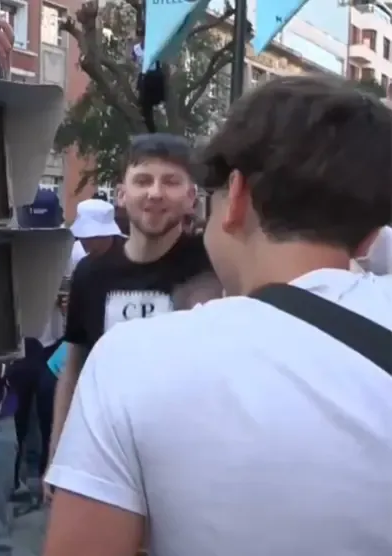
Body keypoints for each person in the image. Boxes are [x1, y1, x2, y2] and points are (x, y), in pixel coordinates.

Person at [43, 75, 392, 556]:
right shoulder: (103, 297)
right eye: (142, 180)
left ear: (237, 196)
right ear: (372, 234)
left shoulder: (131, 360)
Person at [45, 133, 220, 502]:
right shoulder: (91, 273)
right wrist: (57, 455)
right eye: (143, 180)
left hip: (190, 466)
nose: (155, 193)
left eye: (171, 182)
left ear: (191, 197)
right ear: (121, 194)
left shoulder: (216, 265)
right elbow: (74, 365)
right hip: (105, 461)